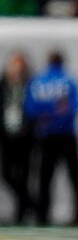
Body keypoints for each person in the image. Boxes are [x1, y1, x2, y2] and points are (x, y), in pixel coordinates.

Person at [23, 50, 78, 226]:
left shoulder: (38, 81)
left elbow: (30, 108)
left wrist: (46, 119)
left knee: (45, 177)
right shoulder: (68, 80)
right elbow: (75, 107)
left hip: (46, 134)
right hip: (66, 133)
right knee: (75, 176)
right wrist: (60, 118)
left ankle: (42, 215)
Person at [0, 51, 34, 224]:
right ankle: (29, 202)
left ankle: (21, 213)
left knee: (24, 174)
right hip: (7, 135)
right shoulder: (4, 85)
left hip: (25, 136)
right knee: (7, 174)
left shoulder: (29, 84)